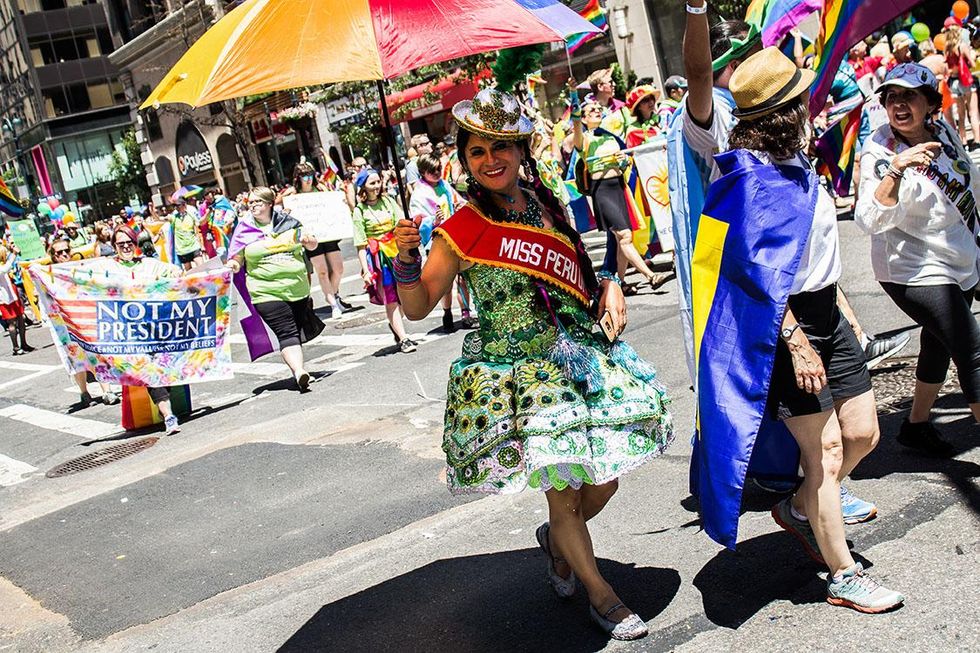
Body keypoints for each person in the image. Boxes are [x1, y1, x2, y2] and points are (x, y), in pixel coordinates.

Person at [394, 88, 672, 641]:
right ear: (464, 159)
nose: (490, 160)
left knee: (603, 483)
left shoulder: (546, 203)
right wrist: (404, 257)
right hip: (520, 376)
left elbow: (581, 271)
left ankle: (557, 542)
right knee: (564, 492)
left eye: (500, 147)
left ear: (521, 150)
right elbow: (418, 307)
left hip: (578, 358)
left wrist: (611, 284)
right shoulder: (461, 229)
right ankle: (603, 596)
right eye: (476, 151)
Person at [699, 47, 904, 614]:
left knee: (862, 434)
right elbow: (752, 274)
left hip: (827, 313)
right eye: (801, 98)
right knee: (826, 452)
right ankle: (842, 575)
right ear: (784, 112)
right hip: (786, 327)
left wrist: (844, 312)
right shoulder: (746, 178)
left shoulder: (796, 159)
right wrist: (795, 341)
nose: (811, 104)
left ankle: (799, 508)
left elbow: (810, 253)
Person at [856, 63, 980, 457]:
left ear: (929, 104)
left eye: (909, 95)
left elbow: (968, 182)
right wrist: (897, 170)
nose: (898, 104)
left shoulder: (942, 132)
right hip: (913, 268)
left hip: (959, 257)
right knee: (973, 351)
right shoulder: (880, 150)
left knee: (939, 342)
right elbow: (869, 219)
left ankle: (916, 426)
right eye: (891, 97)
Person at [227, 187, 325, 389]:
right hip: (265, 291)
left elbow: (312, 244)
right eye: (250, 202)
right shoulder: (244, 228)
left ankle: (298, 368)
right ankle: (299, 371)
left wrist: (309, 241)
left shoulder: (289, 223)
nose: (253, 206)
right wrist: (233, 265)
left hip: (297, 289)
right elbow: (237, 257)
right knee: (286, 331)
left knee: (294, 330)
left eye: (257, 202)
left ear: (269, 203)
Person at [572, 94, 667, 292]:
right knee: (624, 236)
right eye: (591, 110)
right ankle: (650, 276)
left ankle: (620, 283)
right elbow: (576, 125)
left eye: (598, 109)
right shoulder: (584, 139)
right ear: (584, 118)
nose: (597, 111)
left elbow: (625, 160)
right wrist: (574, 97)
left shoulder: (609, 136)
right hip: (602, 190)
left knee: (621, 239)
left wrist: (623, 161)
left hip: (619, 187)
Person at [108, 225, 183, 433]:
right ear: (114, 246)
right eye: (120, 244)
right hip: (130, 331)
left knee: (164, 367)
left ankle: (165, 407)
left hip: (157, 326)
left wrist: (174, 274)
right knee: (148, 370)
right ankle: (168, 415)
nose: (126, 247)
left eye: (129, 243)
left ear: (136, 244)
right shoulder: (108, 267)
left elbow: (175, 272)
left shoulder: (150, 264)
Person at [47, 239, 119, 406]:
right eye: (59, 252)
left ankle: (107, 391)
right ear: (53, 256)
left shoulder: (79, 269)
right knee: (75, 356)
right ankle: (84, 392)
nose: (64, 254)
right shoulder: (48, 274)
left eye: (66, 250)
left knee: (95, 352)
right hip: (64, 321)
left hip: (83, 317)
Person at [351, 168, 416, 353]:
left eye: (378, 181)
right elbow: (360, 244)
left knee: (404, 296)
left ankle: (395, 324)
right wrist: (366, 271)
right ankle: (404, 339)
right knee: (391, 298)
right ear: (363, 187)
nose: (377, 186)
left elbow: (400, 225)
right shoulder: (359, 211)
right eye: (372, 183)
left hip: (396, 253)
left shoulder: (388, 201)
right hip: (378, 259)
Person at [279, 161, 350, 319]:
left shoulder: (321, 188)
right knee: (322, 271)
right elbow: (277, 206)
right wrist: (286, 211)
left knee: (338, 269)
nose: (308, 179)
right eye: (304, 176)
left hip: (328, 233)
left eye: (310, 175)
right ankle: (333, 304)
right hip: (309, 237)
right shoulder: (292, 194)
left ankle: (334, 293)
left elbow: (334, 202)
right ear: (298, 178)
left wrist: (341, 202)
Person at [408, 152, 469, 332]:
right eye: (432, 170)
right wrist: (433, 221)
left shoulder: (445, 185)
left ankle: (466, 313)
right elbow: (418, 221)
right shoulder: (419, 195)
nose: (436, 173)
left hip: (456, 235)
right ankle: (447, 312)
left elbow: (459, 201)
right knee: (446, 282)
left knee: (464, 278)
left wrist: (460, 206)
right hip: (438, 241)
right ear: (422, 172)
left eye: (438, 169)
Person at [944, 24, 980, 147]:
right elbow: (972, 63)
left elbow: (947, 67)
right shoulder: (962, 46)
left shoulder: (947, 48)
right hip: (965, 80)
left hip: (953, 82)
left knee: (960, 115)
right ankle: (977, 140)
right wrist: (973, 56)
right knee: (973, 112)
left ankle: (963, 142)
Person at [0, 244, 32, 355]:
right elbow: (5, 269)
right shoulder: (2, 267)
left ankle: (24, 343)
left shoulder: (3, 263)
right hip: (5, 299)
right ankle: (16, 347)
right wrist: (13, 254)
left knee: (21, 319)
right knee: (11, 323)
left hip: (13, 295)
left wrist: (12, 249)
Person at [172, 196, 205, 270]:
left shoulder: (191, 214)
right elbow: (160, 219)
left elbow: (198, 228)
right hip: (182, 250)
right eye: (175, 206)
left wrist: (201, 245)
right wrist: (152, 211)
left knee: (202, 267)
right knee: (189, 271)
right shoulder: (174, 217)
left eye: (178, 205)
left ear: (184, 205)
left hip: (194, 246)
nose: (177, 208)